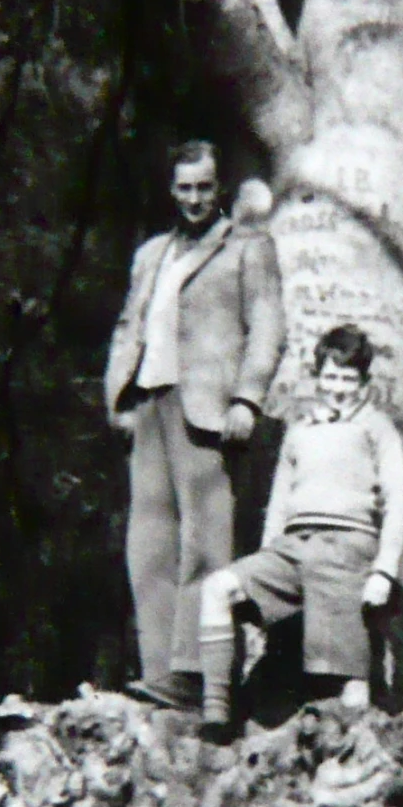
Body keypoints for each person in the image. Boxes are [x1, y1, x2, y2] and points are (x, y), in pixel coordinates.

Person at [104, 140, 286, 709]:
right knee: (148, 544)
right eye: (184, 188)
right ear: (171, 189)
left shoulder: (249, 248)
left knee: (205, 543)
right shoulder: (152, 254)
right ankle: (158, 670)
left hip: (207, 409)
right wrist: (116, 395)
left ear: (220, 187)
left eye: (204, 187)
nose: (194, 198)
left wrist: (247, 399)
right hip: (151, 404)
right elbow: (128, 324)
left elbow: (268, 327)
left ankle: (192, 671)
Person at [199, 324, 403, 732]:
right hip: (292, 548)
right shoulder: (300, 431)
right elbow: (279, 503)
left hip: (346, 550)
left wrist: (384, 569)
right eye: (331, 377)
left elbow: (398, 501)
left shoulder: (377, 428)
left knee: (345, 679)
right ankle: (215, 716)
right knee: (217, 588)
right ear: (318, 378)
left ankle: (356, 753)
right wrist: (265, 556)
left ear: (363, 381)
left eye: (349, 378)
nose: (339, 387)